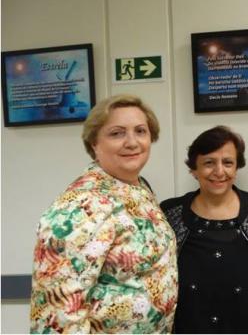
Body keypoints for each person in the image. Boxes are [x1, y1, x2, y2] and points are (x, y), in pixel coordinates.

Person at [30, 94, 178, 333]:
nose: (132, 142)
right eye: (117, 133)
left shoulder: (138, 189)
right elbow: (57, 313)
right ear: (94, 144)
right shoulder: (80, 205)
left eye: (140, 131)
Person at [160, 126, 248, 334]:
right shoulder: (170, 213)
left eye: (228, 163)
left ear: (236, 168)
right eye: (208, 163)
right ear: (193, 169)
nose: (219, 171)